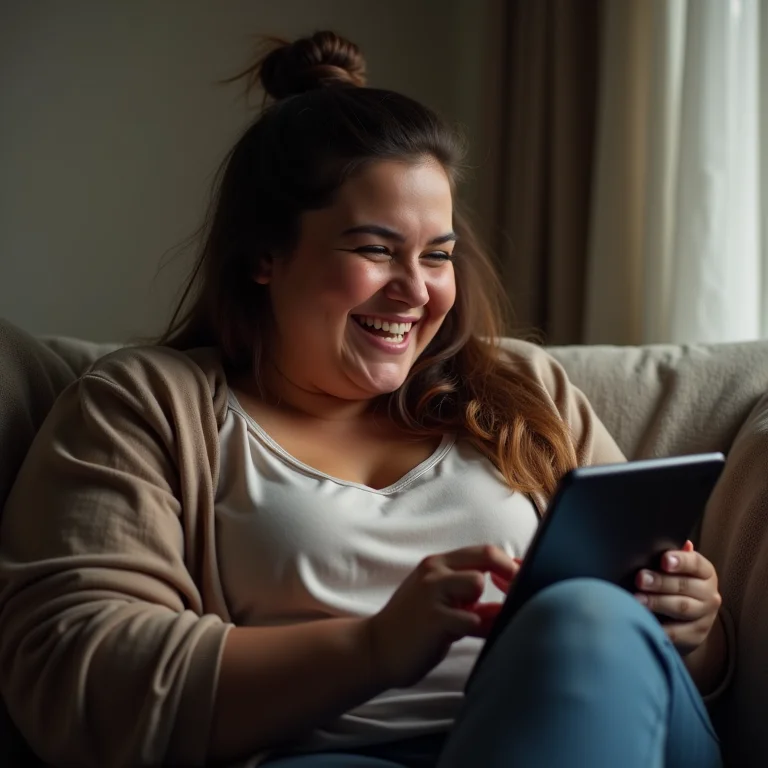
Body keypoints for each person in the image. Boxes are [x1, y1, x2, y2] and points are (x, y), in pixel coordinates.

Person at [0, 31, 729, 768]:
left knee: (588, 619)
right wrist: (373, 647)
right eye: (376, 250)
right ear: (264, 254)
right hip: (327, 757)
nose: (416, 290)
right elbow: (75, 669)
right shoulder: (146, 406)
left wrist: (691, 625)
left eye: (437, 254)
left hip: (588, 728)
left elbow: (672, 677)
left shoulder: (523, 389)